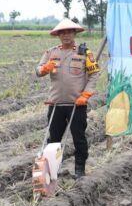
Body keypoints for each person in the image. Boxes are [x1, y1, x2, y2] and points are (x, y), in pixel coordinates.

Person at [36, 19, 99, 179]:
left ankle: (79, 169)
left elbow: (94, 74)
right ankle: (52, 169)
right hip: (56, 103)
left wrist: (85, 95)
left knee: (79, 138)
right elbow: (38, 71)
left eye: (69, 32)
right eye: (62, 32)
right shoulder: (51, 52)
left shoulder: (85, 53)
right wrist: (44, 69)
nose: (66, 35)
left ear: (74, 33)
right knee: (54, 140)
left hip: (77, 104)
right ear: (58, 35)